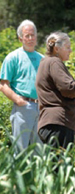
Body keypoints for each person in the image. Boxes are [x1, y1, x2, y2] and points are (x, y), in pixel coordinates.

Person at [36, 32, 75, 150]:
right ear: (57, 49)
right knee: (59, 166)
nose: (70, 51)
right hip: (59, 124)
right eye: (68, 47)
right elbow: (68, 88)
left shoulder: (45, 62)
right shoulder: (54, 62)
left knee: (53, 166)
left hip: (52, 123)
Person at [0, 19, 43, 154]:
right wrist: (18, 100)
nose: (30, 38)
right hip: (23, 108)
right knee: (20, 151)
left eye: (32, 35)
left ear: (36, 37)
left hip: (42, 108)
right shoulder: (13, 57)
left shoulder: (43, 59)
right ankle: (17, 176)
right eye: (27, 36)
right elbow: (3, 84)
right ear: (20, 38)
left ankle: (38, 175)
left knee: (40, 151)